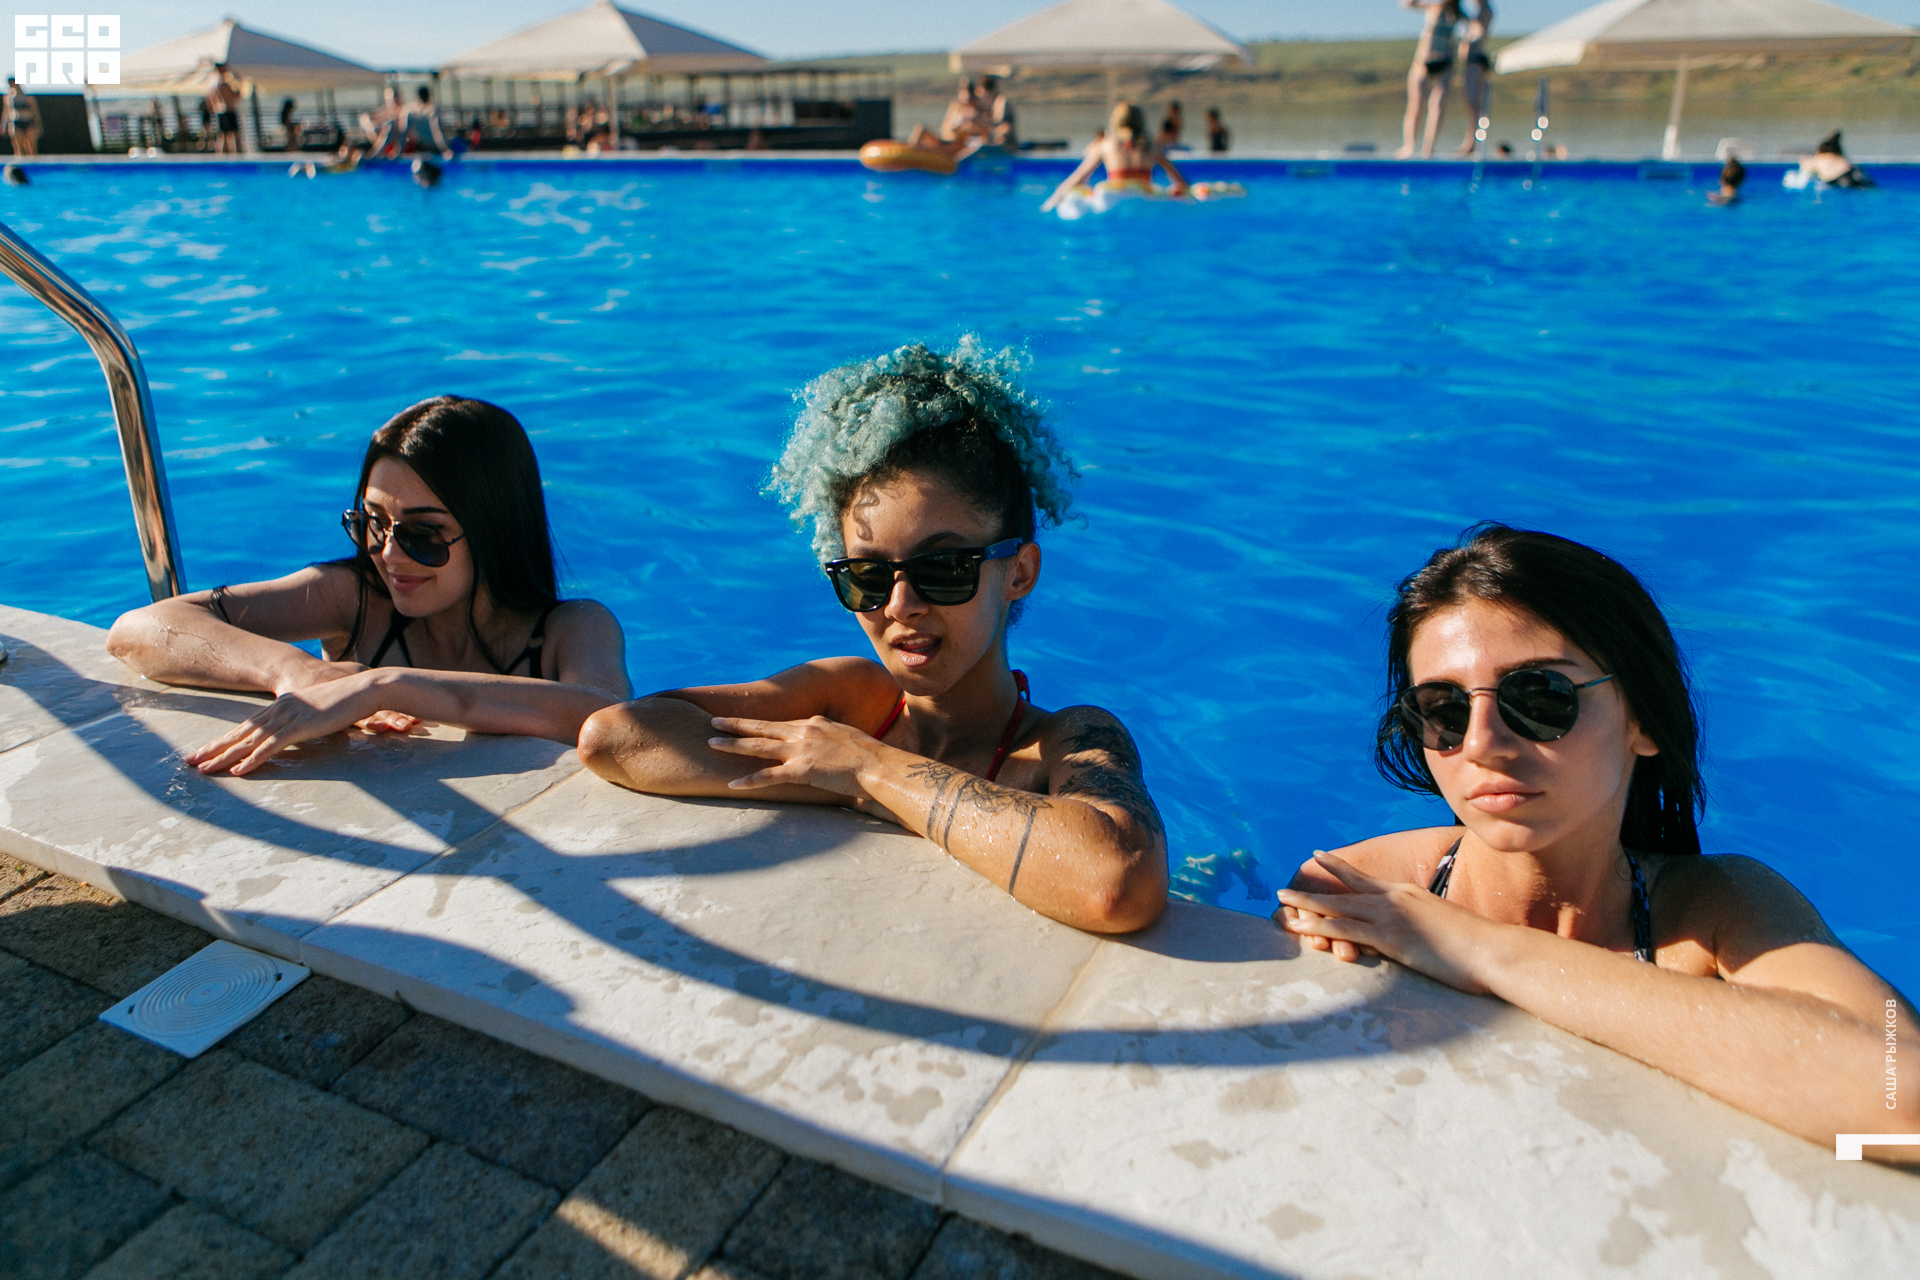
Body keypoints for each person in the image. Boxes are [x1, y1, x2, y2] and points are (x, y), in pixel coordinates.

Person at [1276, 524, 1918, 1161]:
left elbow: (1904, 1099)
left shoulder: (1715, 914)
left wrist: (1480, 949)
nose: (1481, 744)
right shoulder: (1359, 892)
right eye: (1444, 708)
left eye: (1539, 697)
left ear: (1643, 718)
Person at [578, 338, 1167, 936]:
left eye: (943, 568)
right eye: (868, 575)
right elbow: (617, 736)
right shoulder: (848, 700)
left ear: (1018, 573)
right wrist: (837, 774)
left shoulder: (1059, 743)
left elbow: (1115, 880)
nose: (901, 605)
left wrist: (869, 769)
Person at [106, 397, 630, 776]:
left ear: (495, 532)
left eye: (424, 535)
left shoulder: (571, 629)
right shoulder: (356, 598)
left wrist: (384, 686)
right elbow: (139, 629)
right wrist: (295, 670)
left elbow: (613, 722)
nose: (389, 554)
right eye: (373, 523)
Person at [1043, 102, 1188, 211]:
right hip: (1143, 202)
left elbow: (1079, 178)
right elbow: (1180, 182)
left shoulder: (1106, 145)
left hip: (1112, 202)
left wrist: (1053, 201)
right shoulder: (1152, 146)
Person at [1397, 0, 1460, 159]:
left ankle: (1428, 149)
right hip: (1423, 61)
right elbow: (1406, 4)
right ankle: (1409, 146)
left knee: (1437, 106)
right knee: (1416, 105)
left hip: (1445, 62)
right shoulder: (1432, 6)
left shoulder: (1457, 12)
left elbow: (1476, 23)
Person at [1453, 1, 1494, 156]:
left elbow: (1479, 31)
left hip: (1475, 61)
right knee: (1472, 104)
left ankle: (1472, 143)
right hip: (1471, 62)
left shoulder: (1485, 11)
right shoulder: (1478, 13)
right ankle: (1473, 141)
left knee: (1473, 104)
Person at [906, 79, 986, 157]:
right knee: (920, 128)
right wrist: (955, 126)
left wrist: (968, 123)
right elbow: (945, 128)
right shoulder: (956, 107)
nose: (965, 97)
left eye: (968, 93)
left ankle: (913, 156)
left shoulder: (976, 112)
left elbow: (980, 134)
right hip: (946, 142)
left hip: (958, 147)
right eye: (963, 91)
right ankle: (910, 154)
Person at [1796, 130, 1874, 188]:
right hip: (1855, 172)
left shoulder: (1819, 159)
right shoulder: (1839, 157)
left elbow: (1804, 172)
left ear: (1819, 152)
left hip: (1841, 179)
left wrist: (1804, 161)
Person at [400, 85, 452, 160]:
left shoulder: (411, 111)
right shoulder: (432, 110)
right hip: (434, 147)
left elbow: (404, 132)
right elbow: (436, 131)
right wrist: (445, 150)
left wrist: (399, 150)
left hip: (420, 147)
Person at [206, 64, 242, 155]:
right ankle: (234, 156)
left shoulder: (213, 81)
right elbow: (233, 96)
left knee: (223, 136)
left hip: (221, 111)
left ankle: (221, 157)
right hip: (226, 110)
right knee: (232, 135)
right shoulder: (220, 81)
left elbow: (210, 99)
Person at [4, 78, 42, 158]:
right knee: (19, 149)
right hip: (17, 123)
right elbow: (6, 112)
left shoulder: (28, 97)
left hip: (28, 123)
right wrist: (5, 125)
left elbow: (35, 111)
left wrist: (38, 125)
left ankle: (33, 165)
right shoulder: (9, 98)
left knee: (31, 148)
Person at [979, 74, 1016, 147]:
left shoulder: (1001, 103)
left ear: (988, 91)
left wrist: (991, 133)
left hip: (1006, 147)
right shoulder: (994, 104)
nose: (981, 97)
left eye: (981, 93)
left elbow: (1006, 127)